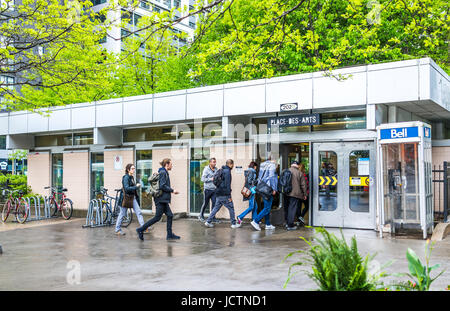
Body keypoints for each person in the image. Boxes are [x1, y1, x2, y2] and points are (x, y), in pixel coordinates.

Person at [136, 158, 180, 241]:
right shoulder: (163, 173)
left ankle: (169, 234)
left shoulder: (163, 172)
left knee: (170, 215)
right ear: (167, 164)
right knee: (157, 217)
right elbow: (162, 186)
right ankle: (140, 230)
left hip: (163, 199)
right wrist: (172, 190)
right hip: (160, 199)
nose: (172, 165)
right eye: (171, 164)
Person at [204, 159, 241, 228]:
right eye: (232, 164)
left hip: (218, 192)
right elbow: (227, 184)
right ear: (230, 164)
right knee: (231, 208)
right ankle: (233, 224)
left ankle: (208, 221)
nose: (233, 166)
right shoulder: (227, 172)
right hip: (225, 194)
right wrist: (229, 196)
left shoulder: (221, 170)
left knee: (215, 208)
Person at [115, 163, 145, 236]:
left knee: (139, 212)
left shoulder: (131, 177)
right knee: (122, 214)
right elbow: (126, 188)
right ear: (128, 170)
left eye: (134, 168)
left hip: (132, 197)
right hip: (126, 198)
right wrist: (136, 187)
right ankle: (117, 230)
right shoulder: (126, 177)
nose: (134, 170)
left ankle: (144, 227)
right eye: (132, 168)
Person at [251, 155, 278, 231]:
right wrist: (274, 188)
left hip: (262, 188)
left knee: (266, 206)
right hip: (268, 188)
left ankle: (268, 224)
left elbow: (260, 177)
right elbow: (272, 177)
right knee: (267, 208)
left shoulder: (262, 165)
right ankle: (256, 221)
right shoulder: (272, 165)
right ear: (273, 159)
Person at [285, 161, 307, 230]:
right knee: (292, 209)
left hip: (286, 193)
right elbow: (303, 185)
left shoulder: (285, 171)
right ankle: (290, 225)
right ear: (297, 165)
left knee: (287, 208)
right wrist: (305, 194)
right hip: (295, 194)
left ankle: (287, 222)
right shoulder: (299, 173)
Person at [198, 157, 219, 223]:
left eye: (215, 162)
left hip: (214, 190)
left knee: (214, 204)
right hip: (207, 190)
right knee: (205, 203)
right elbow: (203, 179)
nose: (215, 163)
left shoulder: (216, 169)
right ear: (210, 162)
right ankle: (201, 215)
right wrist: (211, 179)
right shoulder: (206, 169)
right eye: (213, 162)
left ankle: (212, 217)